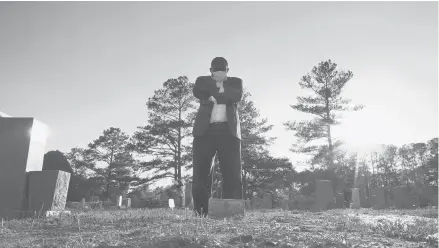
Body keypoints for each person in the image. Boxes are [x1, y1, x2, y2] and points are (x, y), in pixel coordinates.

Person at [192, 57, 243, 217]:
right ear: (211, 71)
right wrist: (220, 92)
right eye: (216, 72)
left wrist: (213, 95)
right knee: (201, 172)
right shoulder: (202, 81)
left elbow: (236, 96)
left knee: (232, 172)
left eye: (222, 72)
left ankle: (231, 212)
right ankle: (202, 212)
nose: (219, 75)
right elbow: (197, 91)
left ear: (228, 71)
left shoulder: (235, 82)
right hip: (205, 132)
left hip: (228, 132)